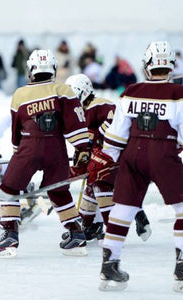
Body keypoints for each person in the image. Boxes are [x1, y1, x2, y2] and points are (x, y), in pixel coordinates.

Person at [90, 41, 183, 292]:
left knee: (122, 209)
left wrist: (105, 158)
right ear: (170, 66)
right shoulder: (181, 93)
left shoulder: (130, 91)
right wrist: (180, 145)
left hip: (132, 154)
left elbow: (116, 135)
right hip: (162, 154)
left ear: (147, 66)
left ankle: (109, 267)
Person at [0, 49, 91, 258]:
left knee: (8, 188)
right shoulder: (63, 89)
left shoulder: (20, 94)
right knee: (58, 191)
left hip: (29, 146)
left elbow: (16, 131)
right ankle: (76, 234)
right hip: (56, 148)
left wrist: (17, 153)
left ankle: (9, 235)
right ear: (52, 68)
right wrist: (83, 148)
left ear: (31, 70)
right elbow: (75, 123)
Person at [65, 74, 151, 243]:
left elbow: (114, 127)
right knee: (92, 183)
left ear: (82, 92)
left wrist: (92, 143)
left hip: (117, 155)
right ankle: (91, 225)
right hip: (102, 157)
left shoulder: (101, 105)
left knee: (100, 183)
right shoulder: (80, 112)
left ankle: (113, 231)